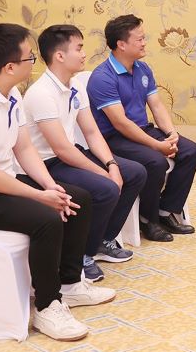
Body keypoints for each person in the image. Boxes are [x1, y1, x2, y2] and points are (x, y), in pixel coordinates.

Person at [0, 23, 114, 342]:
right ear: (10, 67)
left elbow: (24, 148)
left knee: (77, 198)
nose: (34, 61)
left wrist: (49, 186)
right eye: (29, 57)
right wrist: (39, 197)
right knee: (46, 219)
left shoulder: (11, 93)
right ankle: (47, 306)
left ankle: (70, 284)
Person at [22, 24, 147, 282]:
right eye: (78, 48)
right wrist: (104, 174)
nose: (83, 54)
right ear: (59, 55)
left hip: (71, 153)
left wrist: (111, 164)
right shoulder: (41, 94)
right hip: (48, 163)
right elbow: (61, 149)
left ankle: (101, 240)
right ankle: (81, 254)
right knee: (106, 188)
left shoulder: (76, 85)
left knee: (134, 173)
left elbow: (91, 132)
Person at [86, 14, 196, 242]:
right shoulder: (102, 77)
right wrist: (157, 146)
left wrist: (171, 134)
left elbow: (156, 106)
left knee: (191, 151)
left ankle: (165, 210)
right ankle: (148, 219)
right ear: (121, 44)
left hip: (142, 129)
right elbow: (120, 123)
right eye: (139, 39)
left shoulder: (142, 68)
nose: (144, 43)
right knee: (155, 161)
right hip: (114, 137)